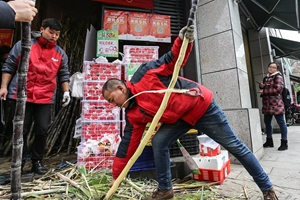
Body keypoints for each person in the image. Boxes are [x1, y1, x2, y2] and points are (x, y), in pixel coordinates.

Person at [102, 26, 279, 200]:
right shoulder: (133, 114)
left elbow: (172, 59)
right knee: (159, 141)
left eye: (112, 100)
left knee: (235, 147)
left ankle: (267, 189)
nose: (113, 105)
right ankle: (165, 189)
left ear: (120, 88)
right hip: (178, 119)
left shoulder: (144, 74)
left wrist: (183, 40)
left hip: (202, 107)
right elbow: (127, 146)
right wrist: (117, 176)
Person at [0, 18, 70, 175]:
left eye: (57, 34)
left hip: (45, 97)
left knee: (42, 130)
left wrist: (66, 91)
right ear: (42, 29)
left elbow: (64, 73)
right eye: (51, 32)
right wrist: (4, 87)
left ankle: (37, 162)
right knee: (20, 131)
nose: (54, 37)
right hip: (21, 95)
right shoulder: (25, 45)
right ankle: (19, 162)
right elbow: (10, 65)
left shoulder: (60, 53)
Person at [259, 62, 288, 151]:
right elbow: (264, 90)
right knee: (267, 123)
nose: (271, 68)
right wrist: (261, 87)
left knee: (281, 123)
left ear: (277, 69)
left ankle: (284, 142)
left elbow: (278, 89)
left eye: (273, 67)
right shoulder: (266, 78)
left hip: (276, 104)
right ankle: (269, 141)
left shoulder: (278, 76)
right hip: (267, 104)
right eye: (270, 66)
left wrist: (264, 91)